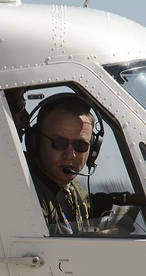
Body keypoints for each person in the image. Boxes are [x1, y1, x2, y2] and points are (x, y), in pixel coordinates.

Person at [26, 96, 113, 235]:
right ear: (35, 141)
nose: (70, 155)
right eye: (59, 143)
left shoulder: (71, 186)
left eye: (81, 146)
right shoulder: (26, 191)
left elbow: (87, 204)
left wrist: (131, 200)